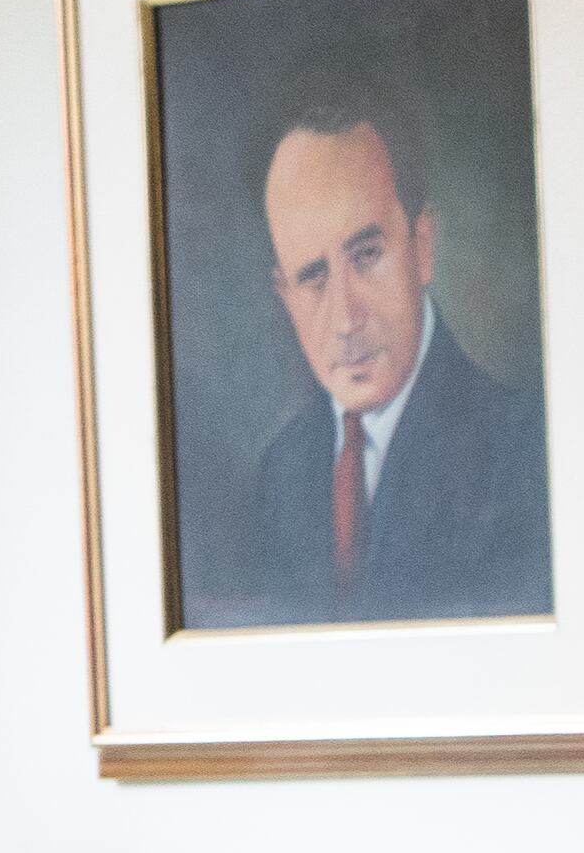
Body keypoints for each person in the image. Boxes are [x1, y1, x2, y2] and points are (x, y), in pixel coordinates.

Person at [231, 74, 553, 624]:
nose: (346, 319)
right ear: (285, 296)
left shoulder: (527, 454)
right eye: (313, 278)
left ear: (421, 248)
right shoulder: (279, 477)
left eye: (365, 256)